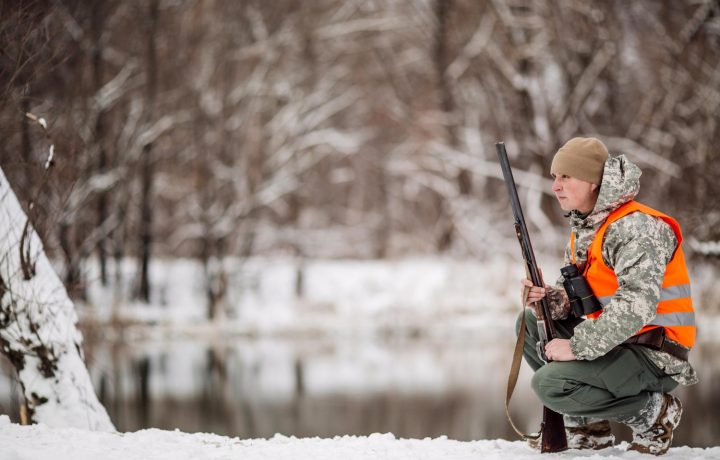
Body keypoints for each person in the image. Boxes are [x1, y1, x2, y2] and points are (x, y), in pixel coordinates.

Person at [517, 137, 697, 455]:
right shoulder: (587, 230)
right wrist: (546, 300)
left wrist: (575, 347)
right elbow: (583, 301)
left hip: (655, 353)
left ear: (591, 181)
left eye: (565, 177)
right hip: (620, 346)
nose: (555, 186)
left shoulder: (637, 228)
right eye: (554, 177)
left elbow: (636, 306)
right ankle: (589, 430)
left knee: (549, 384)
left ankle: (654, 413)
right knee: (530, 322)